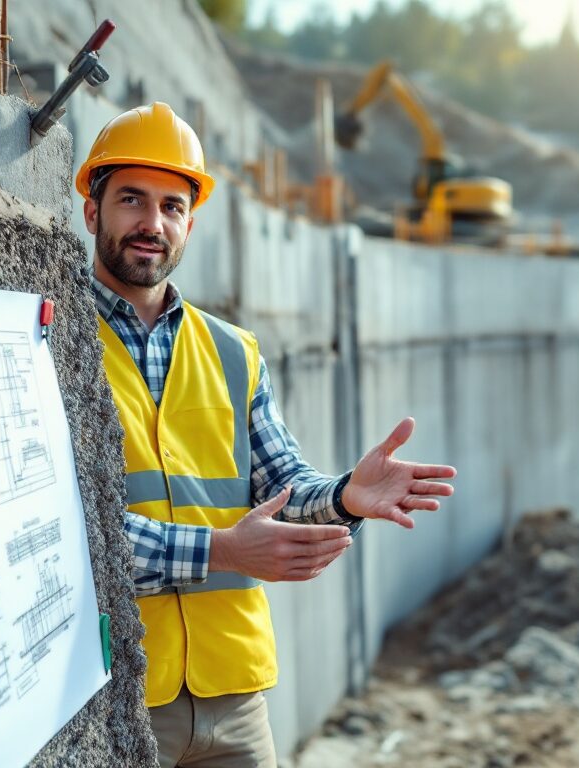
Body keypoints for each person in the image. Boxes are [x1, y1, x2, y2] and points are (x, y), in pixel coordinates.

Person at [78, 102, 457, 768]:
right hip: (113, 694)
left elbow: (282, 485)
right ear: (92, 212)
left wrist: (343, 497)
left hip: (235, 692)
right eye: (131, 200)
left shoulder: (233, 351)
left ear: (190, 223)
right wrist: (223, 550)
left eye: (172, 206)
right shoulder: (53, 337)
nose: (152, 223)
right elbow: (71, 529)